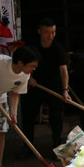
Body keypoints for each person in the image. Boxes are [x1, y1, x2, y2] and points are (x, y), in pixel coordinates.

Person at [21, 18, 69, 154]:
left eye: (53, 32)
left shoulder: (58, 48)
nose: (50, 36)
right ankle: (28, 148)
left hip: (54, 86)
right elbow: (23, 65)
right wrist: (29, 78)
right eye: (47, 32)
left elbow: (63, 71)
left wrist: (65, 90)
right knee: (29, 116)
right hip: (35, 85)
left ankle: (57, 148)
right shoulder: (32, 46)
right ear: (39, 32)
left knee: (56, 118)